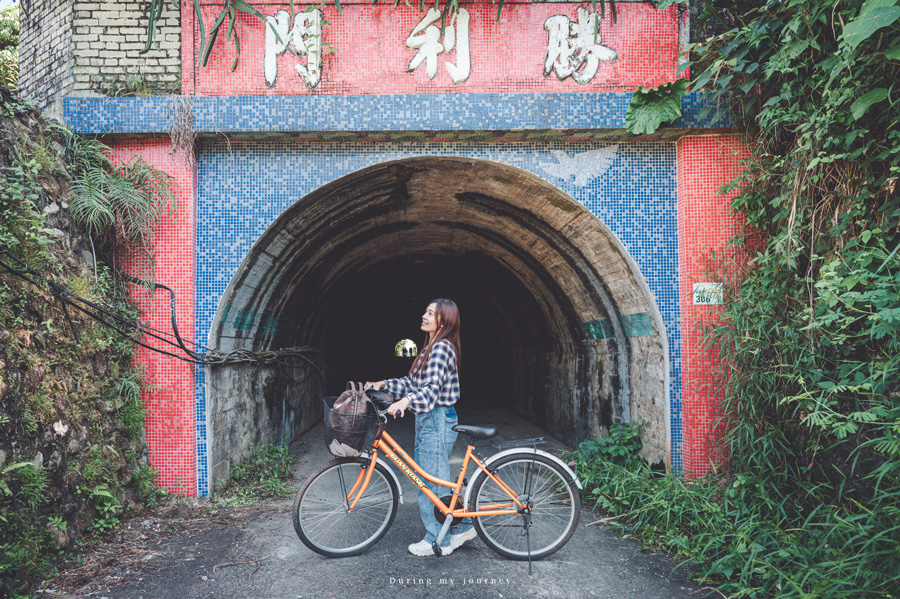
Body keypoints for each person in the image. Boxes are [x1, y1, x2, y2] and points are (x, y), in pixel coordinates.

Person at [365, 298, 476, 556]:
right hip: (430, 418)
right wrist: (384, 384)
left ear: (443, 320)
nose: (423, 316)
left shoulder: (440, 349)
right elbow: (413, 382)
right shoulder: (431, 347)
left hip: (435, 418)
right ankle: (461, 528)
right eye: (425, 311)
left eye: (430, 313)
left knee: (430, 483)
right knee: (436, 478)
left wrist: (404, 402)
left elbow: (429, 390)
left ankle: (438, 540)